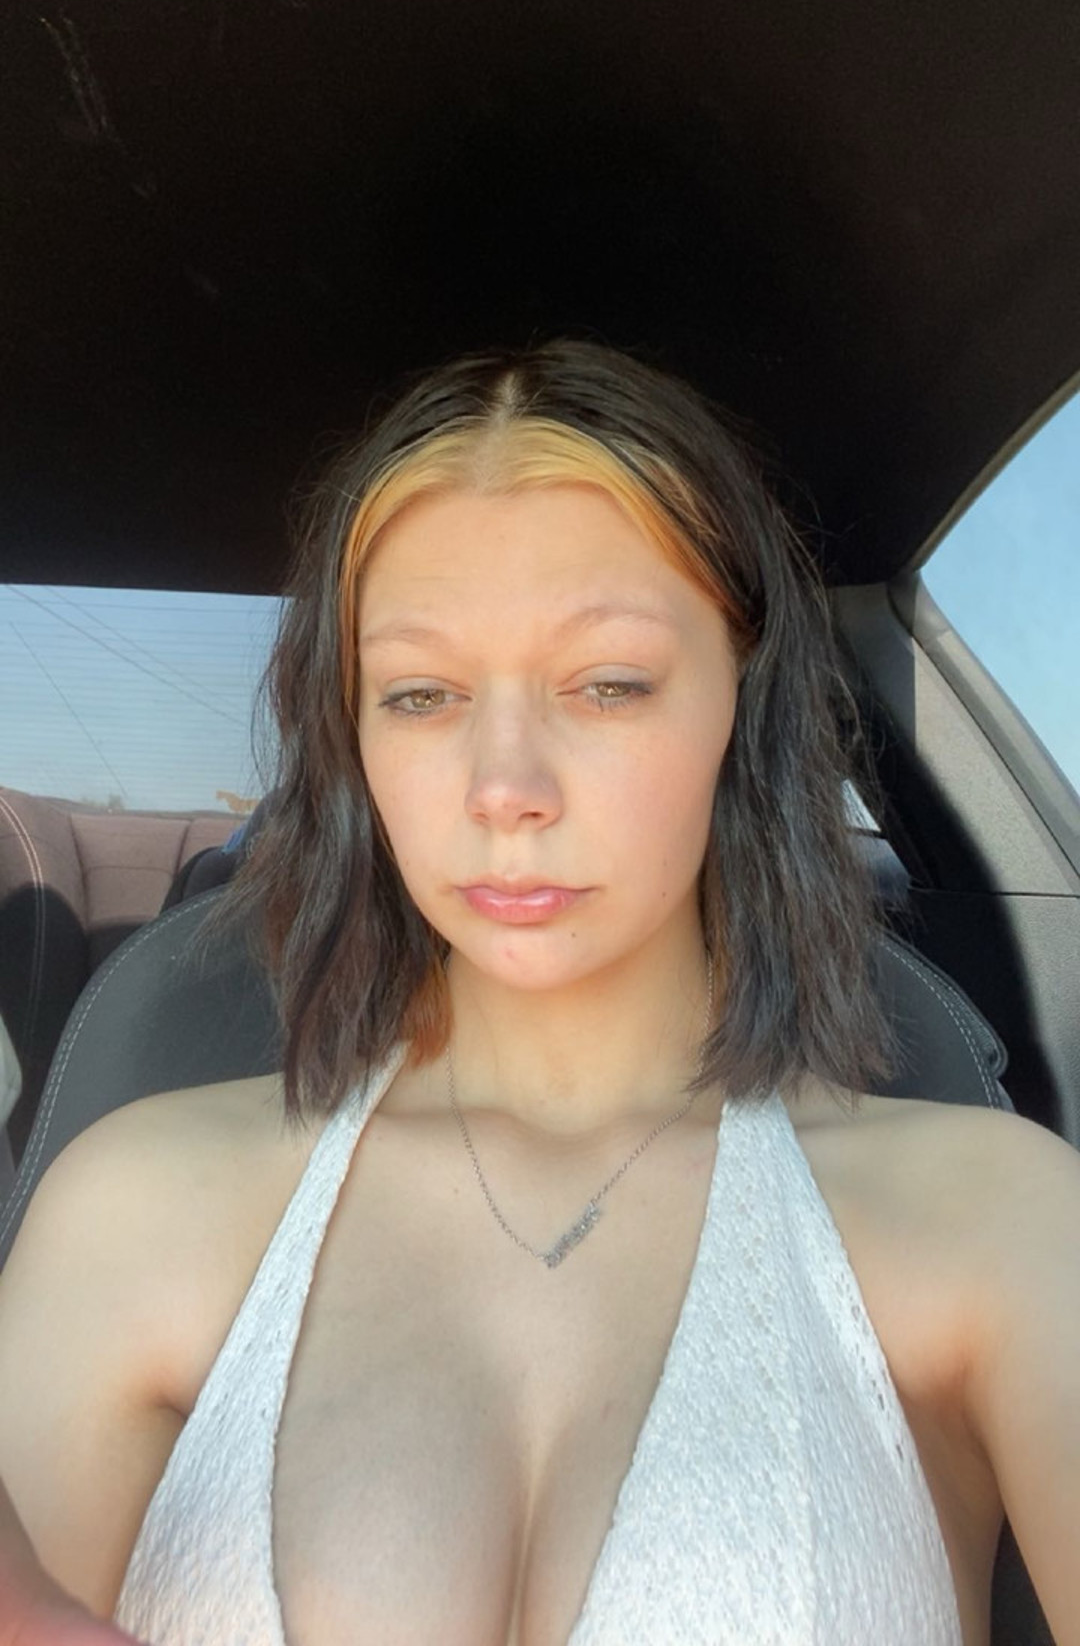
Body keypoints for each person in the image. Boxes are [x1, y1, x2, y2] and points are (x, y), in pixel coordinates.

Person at [0, 337, 1077, 1645]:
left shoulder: (997, 1221)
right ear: (352, 737)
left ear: (741, 700)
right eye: (421, 694)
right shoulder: (131, 1208)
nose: (504, 786)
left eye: (609, 684)